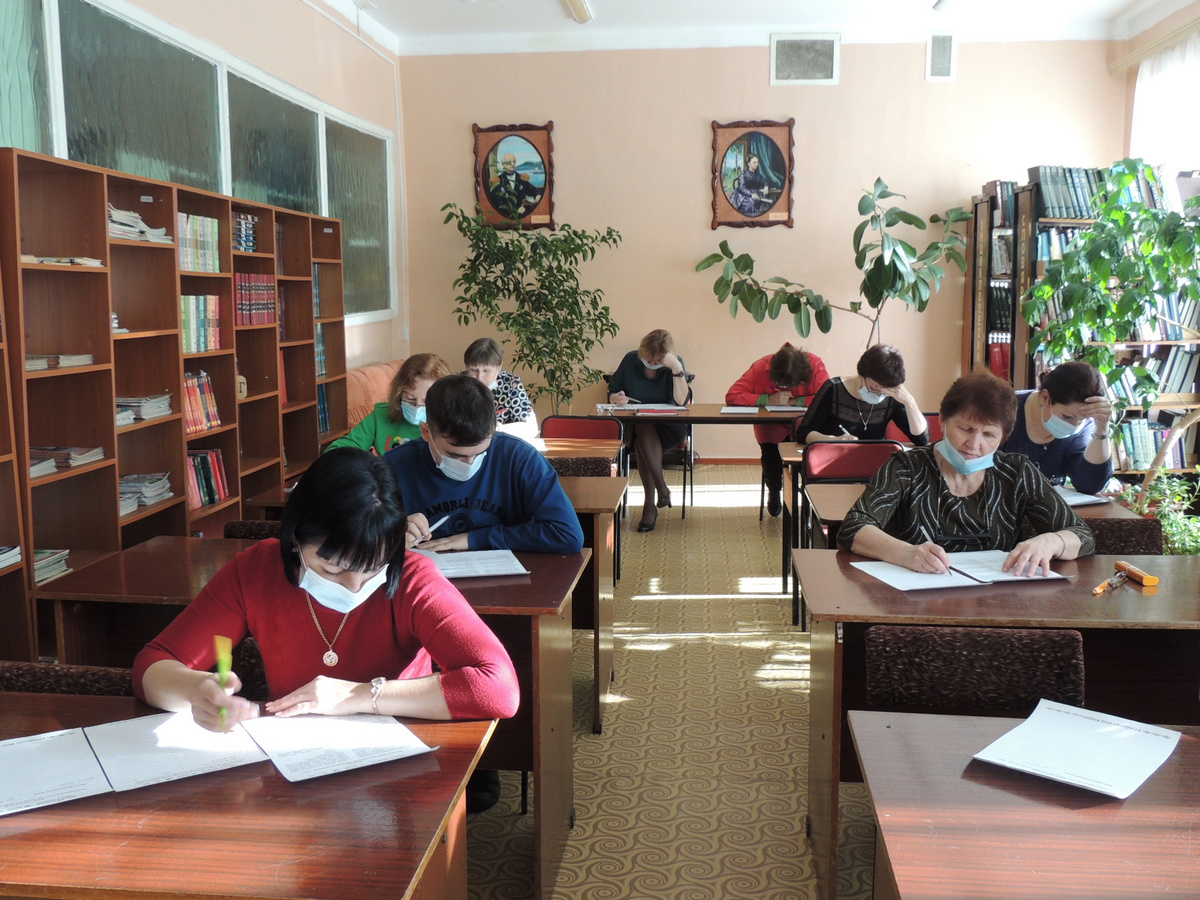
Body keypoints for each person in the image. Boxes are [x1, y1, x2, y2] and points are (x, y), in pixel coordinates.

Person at [133, 447, 520, 731]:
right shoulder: (257, 571)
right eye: (333, 568)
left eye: (372, 568)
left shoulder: (413, 579)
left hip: (400, 755)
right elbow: (152, 665)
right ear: (295, 540)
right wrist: (196, 689)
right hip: (292, 760)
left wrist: (358, 696)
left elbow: (499, 689)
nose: (354, 586)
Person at [838, 369, 1095, 575]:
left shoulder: (1016, 472)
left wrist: (1051, 542)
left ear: (1004, 437)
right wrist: (907, 554)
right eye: (965, 429)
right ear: (942, 420)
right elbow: (853, 528)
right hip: (916, 602)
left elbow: (1082, 536)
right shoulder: (907, 467)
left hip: (996, 602)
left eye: (989, 435)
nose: (974, 445)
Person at [384, 374, 583, 554]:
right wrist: (391, 535)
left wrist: (475, 539)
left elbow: (568, 535)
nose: (470, 463)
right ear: (426, 432)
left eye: (480, 453)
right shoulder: (393, 466)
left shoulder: (519, 457)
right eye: (455, 456)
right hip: (426, 573)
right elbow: (367, 542)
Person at [725, 343, 829, 517]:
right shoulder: (760, 367)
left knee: (812, 453)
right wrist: (767, 399)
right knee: (771, 454)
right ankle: (774, 489)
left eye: (792, 384)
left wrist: (797, 402)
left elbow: (826, 399)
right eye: (782, 384)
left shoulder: (815, 364)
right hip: (771, 427)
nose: (787, 389)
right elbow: (732, 396)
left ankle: (810, 496)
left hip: (805, 425)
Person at [607, 328, 692, 533]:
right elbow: (612, 391)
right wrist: (616, 398)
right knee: (642, 426)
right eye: (649, 358)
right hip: (637, 425)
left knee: (642, 436)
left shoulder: (675, 363)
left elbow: (681, 401)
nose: (653, 363)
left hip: (670, 426)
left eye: (658, 360)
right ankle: (659, 492)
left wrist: (677, 368)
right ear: (642, 351)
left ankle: (652, 502)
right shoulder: (630, 360)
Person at [1001, 361, 1114, 495]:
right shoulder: (1004, 411)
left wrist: (1102, 428)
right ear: (1045, 398)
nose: (1073, 426)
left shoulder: (1083, 428)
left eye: (1082, 420)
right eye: (1067, 417)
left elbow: (1090, 484)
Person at [792, 344, 929, 446]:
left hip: (874, 466)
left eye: (885, 389)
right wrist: (833, 440)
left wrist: (910, 402)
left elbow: (921, 440)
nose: (880, 393)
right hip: (833, 462)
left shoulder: (891, 395)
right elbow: (803, 433)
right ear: (861, 376)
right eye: (874, 387)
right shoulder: (833, 389)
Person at [326, 353, 450, 456]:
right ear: (399, 393)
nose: (417, 406)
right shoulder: (381, 415)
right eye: (410, 397)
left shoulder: (448, 425)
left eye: (426, 401)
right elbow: (337, 450)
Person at [461, 337, 538, 440]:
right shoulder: (459, 384)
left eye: (486, 371)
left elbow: (530, 428)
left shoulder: (512, 384)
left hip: (501, 442)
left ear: (499, 367)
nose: (479, 377)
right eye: (474, 370)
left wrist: (500, 429)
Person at [487, 152, 541, 220]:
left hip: (523, 216)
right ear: (503, 164)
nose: (512, 164)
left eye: (514, 161)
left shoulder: (521, 178)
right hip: (506, 218)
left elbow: (533, 189)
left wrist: (537, 195)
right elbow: (498, 204)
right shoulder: (498, 181)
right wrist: (516, 210)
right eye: (509, 162)